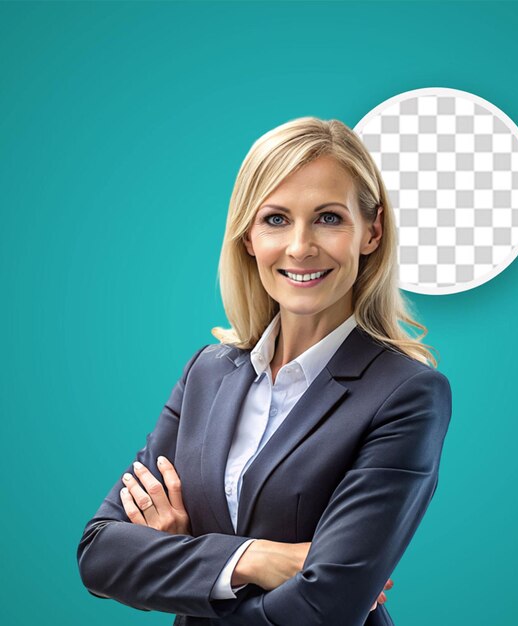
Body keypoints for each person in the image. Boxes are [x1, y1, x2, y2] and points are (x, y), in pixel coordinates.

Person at [76, 117, 452, 626]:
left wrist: (187, 560)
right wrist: (255, 558)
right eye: (276, 219)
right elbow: (99, 553)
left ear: (372, 232)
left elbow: (327, 606)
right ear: (248, 236)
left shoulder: (407, 393)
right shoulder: (206, 373)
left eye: (328, 218)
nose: (300, 247)